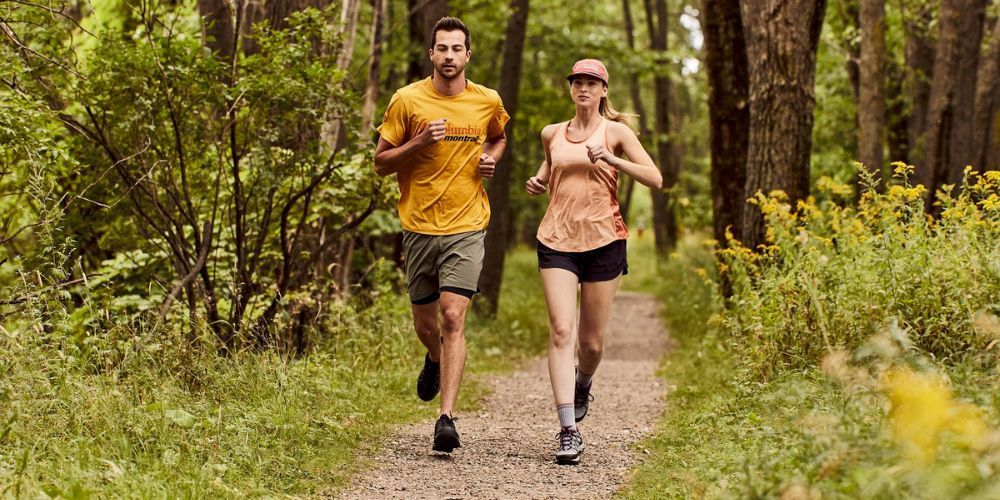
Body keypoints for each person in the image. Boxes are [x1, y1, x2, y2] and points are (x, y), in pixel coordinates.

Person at [373, 16, 509, 453]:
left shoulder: (486, 100)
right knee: (426, 324)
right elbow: (381, 161)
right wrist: (417, 144)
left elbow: (499, 136)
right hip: (418, 228)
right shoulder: (407, 101)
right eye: (442, 49)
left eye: (457, 49)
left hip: (467, 225)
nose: (449, 56)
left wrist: (490, 158)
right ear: (431, 54)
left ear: (468, 54)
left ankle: (446, 419)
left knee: (453, 318)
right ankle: (433, 356)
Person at [525, 59, 662, 464]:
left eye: (591, 83)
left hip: (604, 242)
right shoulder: (552, 133)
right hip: (557, 241)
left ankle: (583, 382)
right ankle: (568, 429)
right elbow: (548, 174)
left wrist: (612, 160)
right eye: (577, 82)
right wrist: (537, 183)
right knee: (562, 331)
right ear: (571, 89)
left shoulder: (616, 132)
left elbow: (654, 178)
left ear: (604, 90)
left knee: (591, 343)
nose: (583, 89)